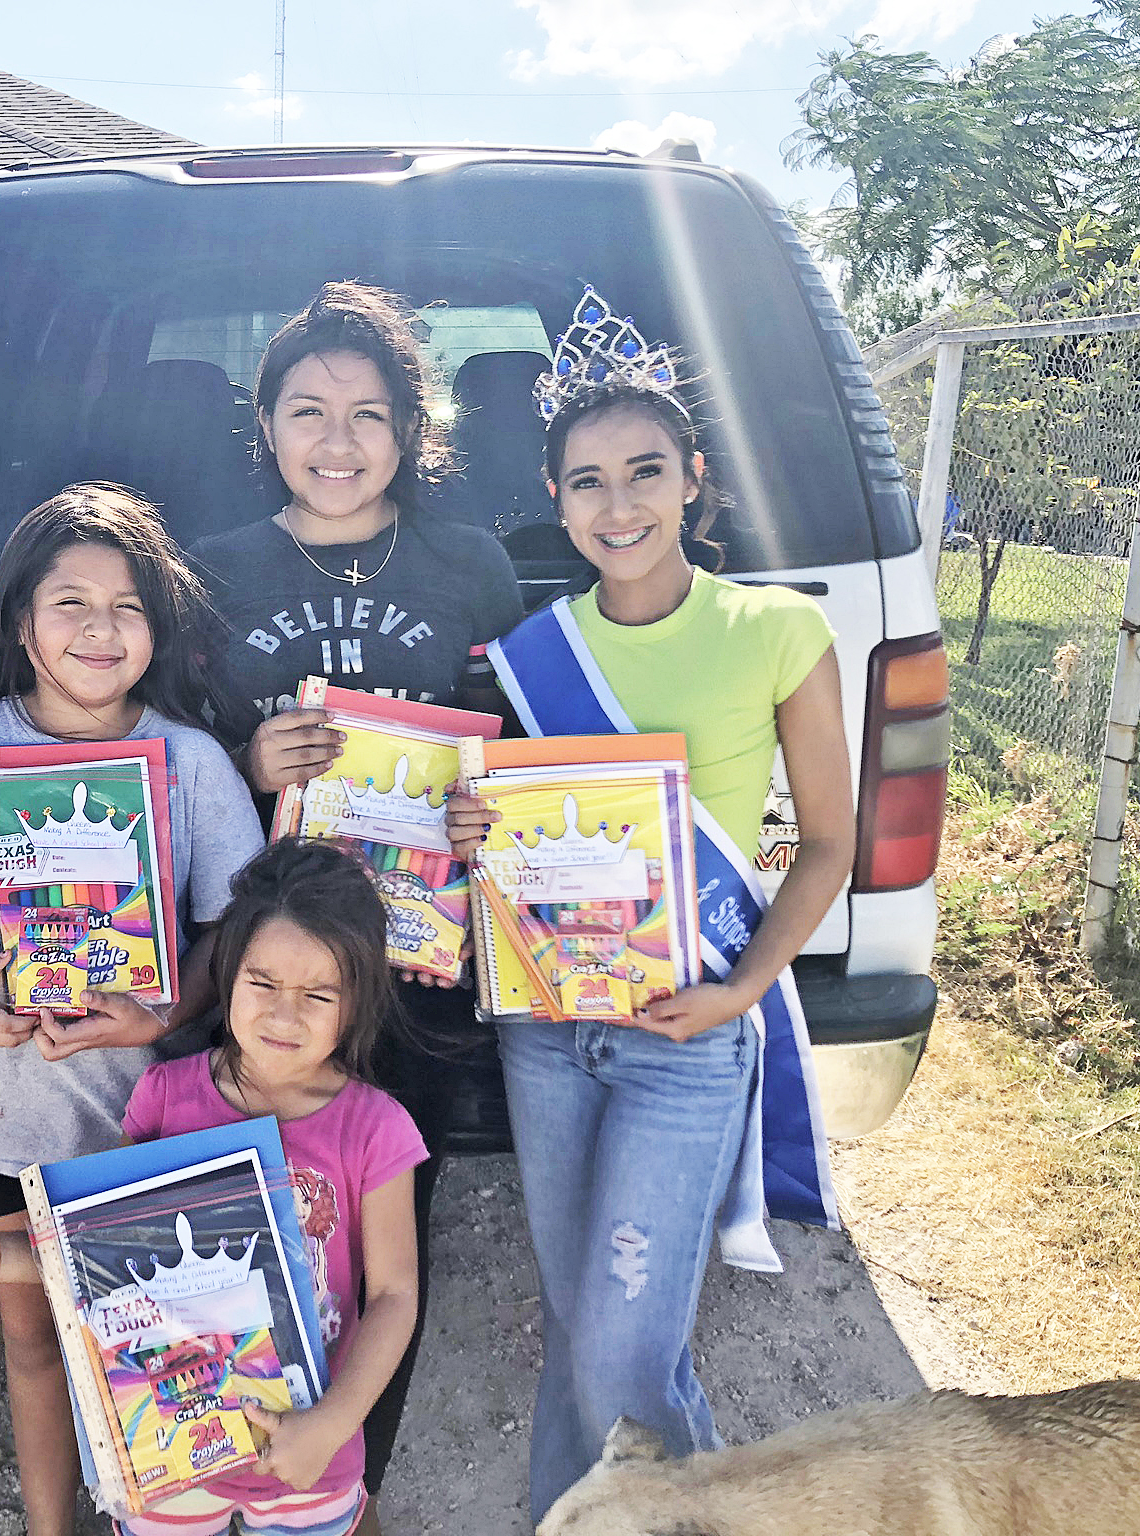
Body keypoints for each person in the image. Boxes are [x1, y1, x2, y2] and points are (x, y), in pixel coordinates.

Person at [460, 288, 854, 1522]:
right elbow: (514, 855)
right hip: (547, 1032)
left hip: (684, 1036)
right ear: (554, 498)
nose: (616, 505)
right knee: (585, 1335)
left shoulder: (774, 629)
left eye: (642, 472)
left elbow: (828, 844)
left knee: (626, 1359)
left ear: (691, 476)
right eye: (585, 482)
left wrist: (741, 991)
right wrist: (469, 836)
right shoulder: (528, 652)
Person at [187, 279, 523, 1510]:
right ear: (264, 425)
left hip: (414, 974)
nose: (337, 443)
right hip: (259, 975)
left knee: (383, 1248)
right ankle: (220, 1466)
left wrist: (491, 813)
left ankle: (344, 1488)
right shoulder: (209, 573)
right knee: (246, 1228)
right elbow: (168, 764)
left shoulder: (468, 566)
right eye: (307, 411)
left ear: (410, 431)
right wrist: (245, 760)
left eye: (368, 415)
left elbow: (518, 745)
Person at [0, 483, 263, 1536]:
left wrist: (161, 1015)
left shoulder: (191, 765)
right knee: (34, 1341)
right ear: (17, 620)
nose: (101, 629)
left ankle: (172, 1514)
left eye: (127, 605)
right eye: (69, 603)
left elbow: (236, 936)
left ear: (160, 624)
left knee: (157, 1332)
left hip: (150, 1118)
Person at [0, 838, 426, 1536]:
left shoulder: (376, 1128)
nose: (285, 1016)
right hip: (166, 1444)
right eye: (263, 984)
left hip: (307, 1446)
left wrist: (332, 1426)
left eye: (318, 994)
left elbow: (395, 1296)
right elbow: (108, 1256)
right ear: (226, 975)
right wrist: (3, 1261)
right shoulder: (166, 1096)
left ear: (359, 1000)